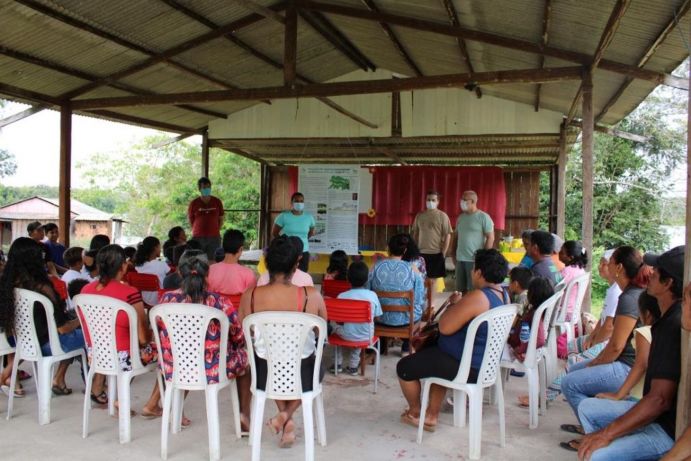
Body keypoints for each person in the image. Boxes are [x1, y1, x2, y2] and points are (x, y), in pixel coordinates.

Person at [576, 246, 684, 461]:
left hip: (665, 428)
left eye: (657, 270)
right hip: (656, 414)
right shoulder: (667, 317)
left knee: (596, 455)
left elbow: (659, 400)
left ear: (668, 283)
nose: (650, 272)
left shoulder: (673, 324)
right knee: (589, 409)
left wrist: (607, 434)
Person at [396, 249, 510, 431]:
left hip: (466, 366)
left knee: (404, 367)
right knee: (434, 356)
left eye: (474, 269)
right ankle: (431, 415)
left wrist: (454, 304)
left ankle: (417, 412)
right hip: (483, 363)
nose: (472, 272)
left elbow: (445, 327)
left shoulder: (479, 297)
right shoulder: (503, 294)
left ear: (479, 272)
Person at [239, 236, 327, 448]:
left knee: (273, 361)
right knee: (317, 367)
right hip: (304, 373)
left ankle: (284, 416)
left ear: (266, 263)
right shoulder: (311, 295)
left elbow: (245, 333)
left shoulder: (250, 296)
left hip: (264, 374)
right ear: (297, 263)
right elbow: (322, 330)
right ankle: (286, 416)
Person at [558, 246, 649, 444]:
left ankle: (597, 434)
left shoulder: (630, 298)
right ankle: (592, 426)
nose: (606, 265)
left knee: (570, 383)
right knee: (573, 370)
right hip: (623, 363)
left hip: (626, 367)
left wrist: (595, 363)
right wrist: (595, 361)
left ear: (619, 268)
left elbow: (616, 346)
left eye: (610, 262)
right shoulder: (629, 293)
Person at [157, 253, 251, 430]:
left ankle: (175, 410)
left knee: (181, 357)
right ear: (207, 275)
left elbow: (161, 333)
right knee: (245, 362)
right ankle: (244, 415)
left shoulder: (167, 300)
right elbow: (238, 336)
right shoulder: (219, 302)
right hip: (212, 369)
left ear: (178, 272)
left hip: (175, 366)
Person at [560, 292, 659, 452]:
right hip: (640, 395)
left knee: (584, 403)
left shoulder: (644, 332)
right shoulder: (660, 332)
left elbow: (640, 365)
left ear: (646, 313)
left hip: (635, 398)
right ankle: (594, 433)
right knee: (576, 373)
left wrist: (619, 394)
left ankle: (594, 439)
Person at [80, 244, 161, 416]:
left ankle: (113, 395)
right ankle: (149, 404)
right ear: (123, 266)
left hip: (95, 354)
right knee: (167, 353)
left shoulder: (85, 291)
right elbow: (143, 339)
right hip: (124, 357)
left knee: (127, 348)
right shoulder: (129, 293)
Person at [0, 237, 84, 397]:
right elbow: (63, 328)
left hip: (21, 342)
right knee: (87, 336)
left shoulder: (9, 284)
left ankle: (57, 380)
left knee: (69, 335)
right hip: (48, 345)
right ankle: (96, 387)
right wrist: (80, 319)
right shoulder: (42, 287)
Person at [369, 234, 426, 354]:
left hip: (380, 318)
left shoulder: (375, 267)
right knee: (418, 309)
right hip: (406, 319)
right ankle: (406, 345)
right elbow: (419, 299)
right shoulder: (413, 269)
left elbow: (367, 294)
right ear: (405, 250)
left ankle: (381, 343)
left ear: (388, 249)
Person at [330, 261, 383, 375]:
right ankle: (353, 366)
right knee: (359, 328)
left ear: (348, 279)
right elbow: (378, 318)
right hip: (367, 336)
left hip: (346, 335)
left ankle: (337, 364)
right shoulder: (372, 295)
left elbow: (339, 320)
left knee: (334, 325)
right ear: (366, 280)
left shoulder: (342, 296)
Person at [451, 190, 494, 293]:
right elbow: (456, 237)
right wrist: (453, 253)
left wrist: (484, 258)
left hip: (474, 261)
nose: (462, 202)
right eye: (462, 199)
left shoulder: (483, 217)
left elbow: (490, 237)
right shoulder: (460, 218)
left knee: (473, 291)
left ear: (473, 201)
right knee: (459, 291)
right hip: (460, 259)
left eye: (465, 200)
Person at [507, 277, 553, 362]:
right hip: (518, 345)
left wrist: (520, 350)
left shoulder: (535, 315)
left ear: (532, 295)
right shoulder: (536, 311)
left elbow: (540, 340)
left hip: (519, 352)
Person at [411, 190, 452, 284]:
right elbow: (415, 234)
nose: (430, 202)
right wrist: (414, 250)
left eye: (433, 200)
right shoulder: (419, 215)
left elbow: (447, 235)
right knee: (419, 279)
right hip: (421, 253)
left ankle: (432, 299)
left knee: (433, 282)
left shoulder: (443, 216)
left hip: (436, 253)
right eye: (428, 199)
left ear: (438, 202)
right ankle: (422, 299)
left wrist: (443, 253)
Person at [556, 240, 588, 358]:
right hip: (573, 311)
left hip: (564, 313)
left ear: (570, 257)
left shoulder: (567, 272)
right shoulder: (581, 270)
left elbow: (554, 288)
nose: (559, 253)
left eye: (562, 252)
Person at [272, 192, 316, 273]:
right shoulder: (283, 216)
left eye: (301, 201)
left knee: (302, 274)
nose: (299, 203)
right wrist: (284, 243)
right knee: (286, 273)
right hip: (287, 251)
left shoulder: (309, 217)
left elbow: (311, 232)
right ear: (291, 202)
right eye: (296, 201)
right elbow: (275, 233)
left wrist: (303, 240)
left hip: (304, 250)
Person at [207, 229, 256, 295]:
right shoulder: (248, 274)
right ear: (240, 249)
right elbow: (251, 298)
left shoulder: (210, 270)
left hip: (214, 305)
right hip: (240, 305)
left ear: (223, 247)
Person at [188, 177, 224, 260]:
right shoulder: (194, 203)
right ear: (199, 189)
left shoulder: (217, 201)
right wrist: (196, 231)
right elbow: (191, 220)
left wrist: (216, 229)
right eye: (204, 187)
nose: (206, 189)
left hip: (214, 237)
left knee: (213, 261)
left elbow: (221, 218)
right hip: (198, 237)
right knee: (198, 261)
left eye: (208, 187)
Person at [133, 236, 170, 306]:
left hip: (145, 299)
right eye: (159, 247)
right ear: (155, 248)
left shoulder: (138, 266)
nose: (160, 249)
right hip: (161, 300)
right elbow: (171, 279)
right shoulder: (162, 264)